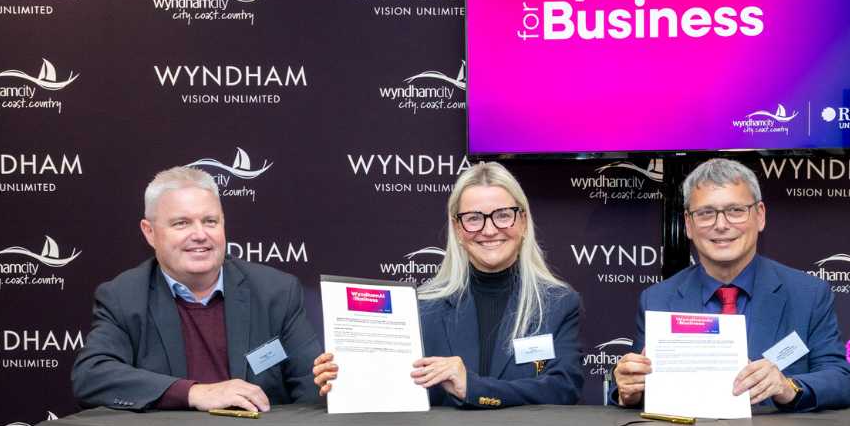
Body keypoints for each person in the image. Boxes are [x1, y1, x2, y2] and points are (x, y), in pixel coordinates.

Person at [313, 162, 583, 408]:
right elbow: (393, 390)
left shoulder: (558, 303)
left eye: (502, 215)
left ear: (522, 222)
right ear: (458, 229)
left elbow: (563, 389)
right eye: (474, 218)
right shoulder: (420, 307)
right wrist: (347, 378)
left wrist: (472, 387)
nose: (489, 230)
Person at [613, 158, 850, 411]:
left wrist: (789, 387)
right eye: (706, 213)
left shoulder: (808, 294)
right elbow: (636, 385)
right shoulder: (657, 299)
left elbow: (843, 381)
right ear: (688, 224)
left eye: (735, 211)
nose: (721, 225)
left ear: (760, 216)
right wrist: (629, 389)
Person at [72, 167, 321, 412]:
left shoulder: (275, 292)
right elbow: (91, 376)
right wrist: (194, 392)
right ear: (149, 233)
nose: (200, 234)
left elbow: (312, 387)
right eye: (182, 223)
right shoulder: (123, 297)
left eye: (210, 221)